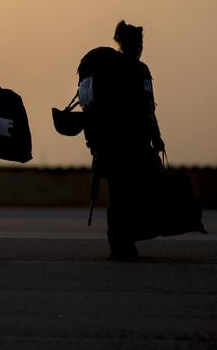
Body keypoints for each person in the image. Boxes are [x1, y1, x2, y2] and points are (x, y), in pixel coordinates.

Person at [78, 21, 164, 261]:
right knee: (138, 190)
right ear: (136, 45)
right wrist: (156, 137)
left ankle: (117, 244)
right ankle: (127, 242)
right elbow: (148, 108)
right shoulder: (140, 70)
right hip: (134, 143)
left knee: (117, 193)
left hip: (108, 143)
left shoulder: (105, 69)